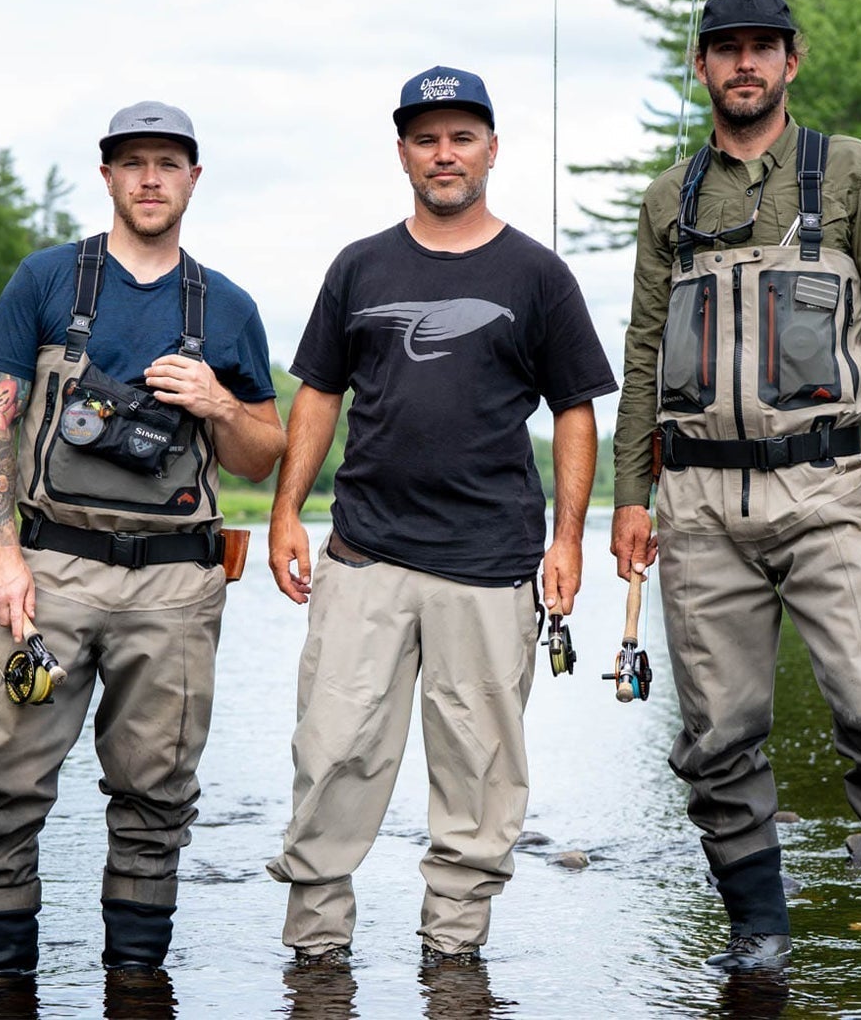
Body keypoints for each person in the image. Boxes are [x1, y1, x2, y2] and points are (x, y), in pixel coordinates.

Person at [609, 0, 861, 1002]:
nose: (744, 65)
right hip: (693, 507)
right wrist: (627, 492)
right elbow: (644, 350)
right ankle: (759, 943)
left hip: (828, 489)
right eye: (724, 50)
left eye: (761, 49)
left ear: (791, 61)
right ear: (701, 68)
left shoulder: (850, 169)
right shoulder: (665, 200)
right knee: (719, 737)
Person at [264, 65, 616, 969]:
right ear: (403, 155)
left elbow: (574, 408)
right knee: (332, 753)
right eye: (427, 139)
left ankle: (454, 959)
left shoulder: (537, 273)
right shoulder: (360, 265)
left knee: (479, 775)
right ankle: (315, 957)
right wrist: (285, 514)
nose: (444, 153)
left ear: (492, 149)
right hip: (363, 558)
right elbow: (318, 395)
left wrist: (568, 540)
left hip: (492, 567)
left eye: (462, 137)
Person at [0, 101, 285, 988]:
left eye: (167, 163)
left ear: (193, 179)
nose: (148, 179)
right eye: (131, 163)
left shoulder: (231, 309)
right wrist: (2, 550)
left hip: (177, 586)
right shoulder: (47, 281)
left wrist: (218, 403)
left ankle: (137, 988)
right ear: (107, 176)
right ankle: (1, 985)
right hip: (49, 571)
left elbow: (261, 456)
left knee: (155, 796)